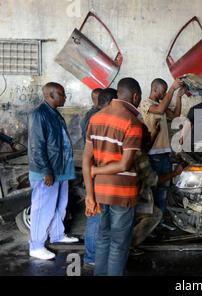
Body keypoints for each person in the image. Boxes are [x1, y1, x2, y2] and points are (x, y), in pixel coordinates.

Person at [83, 78, 143, 276]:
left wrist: (89, 195)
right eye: (139, 97)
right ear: (135, 96)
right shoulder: (132, 122)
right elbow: (124, 164)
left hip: (99, 191)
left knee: (102, 238)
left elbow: (86, 160)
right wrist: (97, 170)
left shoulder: (96, 118)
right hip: (122, 193)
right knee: (118, 243)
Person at [27, 82, 79, 260]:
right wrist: (46, 171)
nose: (65, 97)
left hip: (59, 168)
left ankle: (57, 235)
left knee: (60, 204)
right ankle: (36, 246)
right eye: (62, 94)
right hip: (47, 171)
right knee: (43, 208)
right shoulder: (39, 114)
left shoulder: (54, 113)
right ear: (50, 94)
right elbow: (36, 146)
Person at [139, 78, 185, 231]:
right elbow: (159, 110)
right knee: (156, 187)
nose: (165, 93)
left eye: (166, 90)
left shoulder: (160, 105)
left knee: (164, 188)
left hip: (164, 152)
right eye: (163, 90)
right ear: (155, 89)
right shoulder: (146, 104)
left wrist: (178, 96)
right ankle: (152, 224)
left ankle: (159, 221)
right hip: (153, 153)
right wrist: (172, 89)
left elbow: (176, 114)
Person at [81, 88, 117, 268]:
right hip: (97, 173)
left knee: (100, 216)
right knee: (95, 216)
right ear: (111, 102)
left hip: (99, 173)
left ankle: (97, 254)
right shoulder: (95, 119)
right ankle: (91, 257)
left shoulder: (97, 117)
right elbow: (90, 155)